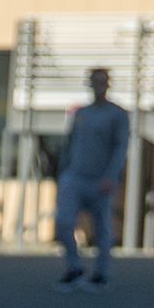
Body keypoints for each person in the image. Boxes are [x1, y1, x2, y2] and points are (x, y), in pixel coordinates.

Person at [55, 67, 131, 291]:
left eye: (102, 81)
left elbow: (120, 148)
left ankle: (101, 274)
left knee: (102, 228)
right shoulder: (81, 113)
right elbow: (70, 143)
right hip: (75, 177)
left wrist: (111, 176)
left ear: (108, 84)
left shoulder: (118, 115)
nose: (98, 85)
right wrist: (64, 172)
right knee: (64, 222)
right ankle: (74, 268)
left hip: (100, 180)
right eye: (94, 81)